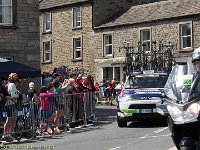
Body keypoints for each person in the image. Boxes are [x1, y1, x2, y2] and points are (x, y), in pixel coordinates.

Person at [2, 73, 19, 142]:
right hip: (11, 103)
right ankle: (5, 134)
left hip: (8, 103)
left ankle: (7, 134)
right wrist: (18, 95)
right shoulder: (12, 85)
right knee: (9, 119)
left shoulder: (8, 84)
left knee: (10, 119)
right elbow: (12, 95)